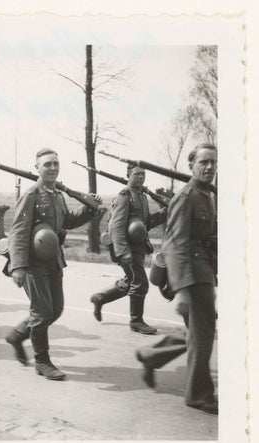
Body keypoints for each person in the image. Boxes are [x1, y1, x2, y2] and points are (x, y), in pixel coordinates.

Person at [136, 144, 218, 414]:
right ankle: (199, 395)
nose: (209, 167)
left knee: (198, 331)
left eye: (213, 162)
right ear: (191, 165)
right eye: (203, 162)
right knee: (203, 333)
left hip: (203, 269)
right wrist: (181, 290)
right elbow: (174, 244)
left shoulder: (207, 194)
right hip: (191, 274)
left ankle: (151, 356)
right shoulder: (187, 196)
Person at [5, 148, 101, 380]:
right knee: (42, 312)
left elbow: (66, 221)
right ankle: (42, 361)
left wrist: (89, 209)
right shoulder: (31, 195)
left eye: (56, 164)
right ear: (37, 167)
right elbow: (18, 231)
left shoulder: (57, 194)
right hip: (33, 263)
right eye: (47, 164)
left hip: (53, 261)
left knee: (55, 310)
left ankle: (18, 335)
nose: (52, 168)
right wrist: (17, 266)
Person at [90, 164, 167, 334]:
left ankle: (99, 298)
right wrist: (123, 252)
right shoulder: (124, 196)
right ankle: (136, 321)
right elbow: (116, 226)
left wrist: (166, 211)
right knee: (140, 283)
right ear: (128, 175)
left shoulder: (142, 196)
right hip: (127, 248)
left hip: (138, 246)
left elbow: (147, 222)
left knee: (129, 282)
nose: (141, 177)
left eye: (143, 174)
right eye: (137, 174)